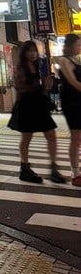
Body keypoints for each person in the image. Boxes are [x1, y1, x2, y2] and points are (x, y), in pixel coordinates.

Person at [7, 40, 66, 184]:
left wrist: (46, 85)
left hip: (39, 105)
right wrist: (42, 86)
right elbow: (22, 87)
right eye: (29, 51)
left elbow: (42, 86)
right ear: (24, 53)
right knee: (26, 138)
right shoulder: (20, 68)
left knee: (51, 135)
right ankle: (24, 168)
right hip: (26, 105)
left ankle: (53, 168)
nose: (33, 54)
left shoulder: (38, 66)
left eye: (34, 51)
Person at [58, 33, 81, 187]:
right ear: (70, 45)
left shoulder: (77, 59)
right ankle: (75, 174)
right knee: (76, 137)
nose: (80, 47)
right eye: (78, 44)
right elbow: (73, 82)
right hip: (72, 102)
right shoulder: (63, 60)